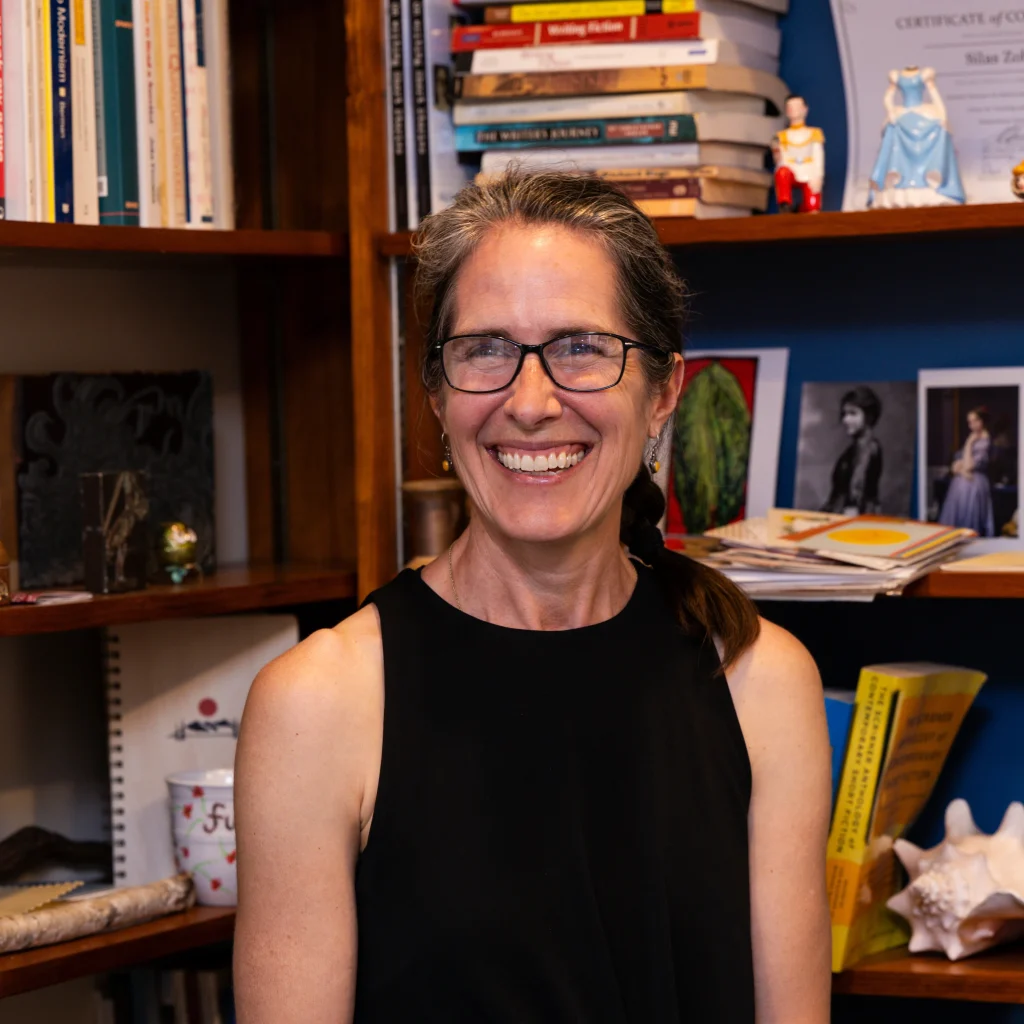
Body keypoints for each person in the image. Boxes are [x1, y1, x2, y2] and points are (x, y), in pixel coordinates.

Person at [233, 170, 832, 1023]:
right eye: (485, 350)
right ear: (437, 397)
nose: (531, 402)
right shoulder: (319, 703)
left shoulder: (763, 681)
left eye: (581, 347)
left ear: (662, 392)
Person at [869, 66, 965, 208]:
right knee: (893, 129)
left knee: (939, 129)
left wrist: (941, 115)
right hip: (903, 113)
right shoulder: (896, 76)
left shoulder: (925, 74)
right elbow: (888, 97)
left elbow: (934, 93)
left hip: (922, 112)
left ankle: (932, 179)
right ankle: (897, 184)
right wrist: (890, 112)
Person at [822, 385, 883, 515]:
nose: (845, 420)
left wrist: (852, 506)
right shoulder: (852, 451)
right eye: (844, 414)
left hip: (855, 516)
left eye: (853, 413)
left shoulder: (868, 447)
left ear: (869, 416)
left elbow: (857, 484)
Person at [939, 407, 995, 536]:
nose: (972, 425)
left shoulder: (984, 441)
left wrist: (969, 443)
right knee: (957, 516)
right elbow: (955, 466)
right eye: (969, 422)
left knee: (969, 517)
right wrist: (961, 471)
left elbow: (969, 465)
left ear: (982, 421)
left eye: (975, 421)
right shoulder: (974, 437)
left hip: (974, 484)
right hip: (963, 483)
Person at [771, 94, 825, 213]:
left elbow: (818, 156)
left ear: (805, 109)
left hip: (809, 172)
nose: (793, 109)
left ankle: (802, 209)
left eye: (797, 106)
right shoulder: (781, 136)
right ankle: (785, 205)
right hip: (791, 169)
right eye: (790, 107)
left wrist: (818, 176)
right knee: (782, 173)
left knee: (812, 206)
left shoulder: (814, 133)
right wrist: (777, 155)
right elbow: (781, 160)